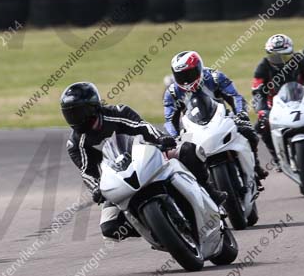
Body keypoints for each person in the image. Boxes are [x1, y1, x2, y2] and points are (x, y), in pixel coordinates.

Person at [60, 82, 226, 240]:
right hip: (118, 179)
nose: (76, 119)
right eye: (71, 114)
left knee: (190, 150)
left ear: (94, 106)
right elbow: (87, 171)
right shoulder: (75, 144)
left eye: (79, 112)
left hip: (147, 157)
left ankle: (211, 194)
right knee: (108, 228)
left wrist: (161, 138)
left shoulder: (117, 113)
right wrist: (96, 188)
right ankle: (153, 230)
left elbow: (143, 127)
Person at [163, 50, 268, 188]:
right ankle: (202, 186)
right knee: (184, 155)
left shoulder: (215, 77)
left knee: (248, 131)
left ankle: (256, 166)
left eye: (190, 73)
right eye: (181, 76)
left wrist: (241, 113)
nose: (186, 79)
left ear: (199, 68)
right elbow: (170, 119)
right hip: (193, 126)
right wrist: (174, 137)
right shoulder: (172, 92)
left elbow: (235, 96)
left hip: (222, 117)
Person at [252, 34, 304, 167]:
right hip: (276, 105)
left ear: (292, 53)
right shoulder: (263, 66)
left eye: (285, 56)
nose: (280, 61)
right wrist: (262, 111)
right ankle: (277, 158)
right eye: (275, 57)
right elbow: (257, 92)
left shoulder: (302, 60)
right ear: (268, 55)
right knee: (261, 127)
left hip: (303, 100)